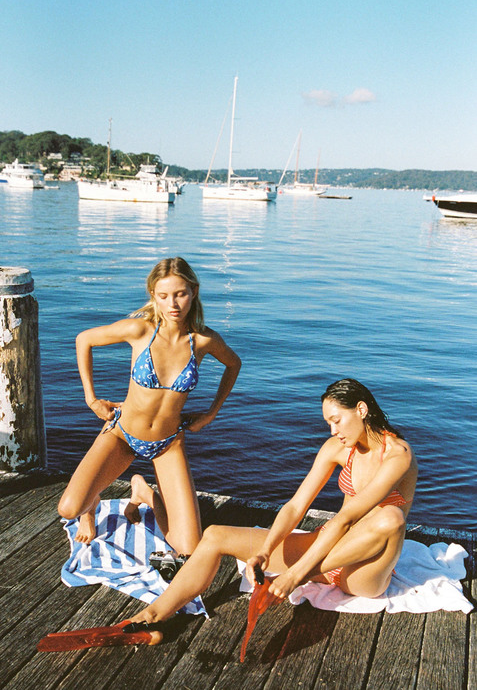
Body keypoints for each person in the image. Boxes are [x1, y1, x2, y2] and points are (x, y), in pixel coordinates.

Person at [124, 378, 417, 635]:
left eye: (336, 420)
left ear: (361, 410)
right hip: (325, 550)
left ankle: (304, 572)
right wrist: (265, 551)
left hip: (365, 569)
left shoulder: (397, 455)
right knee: (214, 535)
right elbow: (295, 507)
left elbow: (346, 518)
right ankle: (156, 612)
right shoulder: (338, 449)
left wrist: (294, 575)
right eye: (328, 423)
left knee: (390, 517)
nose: (332, 430)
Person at [57, 257, 241, 558]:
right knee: (69, 508)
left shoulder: (204, 340)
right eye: (164, 295)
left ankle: (144, 493)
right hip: (123, 434)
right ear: (153, 295)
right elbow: (84, 340)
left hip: (168, 442)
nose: (173, 304)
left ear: (193, 291)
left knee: (188, 547)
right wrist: (91, 398)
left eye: (180, 294)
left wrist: (211, 413)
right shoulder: (140, 330)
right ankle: (91, 507)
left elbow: (234, 364)